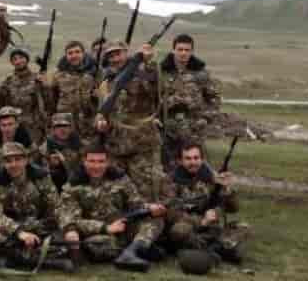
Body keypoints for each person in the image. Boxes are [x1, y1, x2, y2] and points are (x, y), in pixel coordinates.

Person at [58, 145, 167, 271]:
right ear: (84, 161)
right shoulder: (72, 186)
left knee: (156, 220)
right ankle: (140, 248)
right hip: (101, 234)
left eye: (101, 161)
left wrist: (149, 208)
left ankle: (131, 252)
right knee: (96, 246)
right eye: (92, 161)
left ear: (108, 162)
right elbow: (71, 221)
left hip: (124, 226)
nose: (96, 166)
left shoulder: (120, 178)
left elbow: (136, 203)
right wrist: (105, 228)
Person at [0, 142, 73, 272]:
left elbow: (57, 205)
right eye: (8, 161)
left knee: (64, 237)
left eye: (18, 159)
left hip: (39, 223)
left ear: (26, 160)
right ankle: (51, 262)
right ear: (3, 163)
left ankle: (17, 259)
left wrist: (69, 229)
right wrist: (19, 232)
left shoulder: (41, 176)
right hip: (12, 225)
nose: (14, 164)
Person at [95, 40, 165, 202]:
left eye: (118, 54)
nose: (115, 59)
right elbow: (101, 112)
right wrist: (101, 123)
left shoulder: (143, 74)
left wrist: (148, 62)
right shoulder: (106, 83)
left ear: (127, 53)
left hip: (142, 144)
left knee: (147, 191)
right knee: (117, 194)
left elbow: (157, 87)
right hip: (116, 146)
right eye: (111, 56)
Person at [164, 143, 246, 263]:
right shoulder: (171, 180)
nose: (193, 162)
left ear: (202, 159)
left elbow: (233, 208)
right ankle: (217, 249)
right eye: (188, 158)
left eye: (196, 158)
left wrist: (227, 189)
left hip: (211, 228)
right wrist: (202, 221)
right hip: (188, 227)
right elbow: (171, 213)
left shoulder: (212, 178)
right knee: (179, 230)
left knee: (243, 227)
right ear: (180, 161)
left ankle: (211, 248)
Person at [160, 34, 221, 172]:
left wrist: (206, 118)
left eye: (187, 50)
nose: (183, 53)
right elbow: (153, 98)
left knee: (196, 166)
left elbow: (214, 98)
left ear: (192, 51)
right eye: (180, 49)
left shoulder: (201, 74)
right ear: (173, 50)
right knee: (169, 166)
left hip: (194, 128)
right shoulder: (162, 72)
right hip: (168, 129)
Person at [0, 48, 49, 144]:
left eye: (21, 57)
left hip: (33, 127)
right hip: (13, 127)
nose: (18, 61)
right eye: (15, 59)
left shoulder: (37, 79)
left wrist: (45, 85)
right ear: (12, 62)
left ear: (27, 59)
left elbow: (48, 101)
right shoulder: (8, 82)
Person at [47, 41, 97, 139]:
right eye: (70, 53)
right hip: (65, 125)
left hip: (88, 124)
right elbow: (53, 99)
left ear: (83, 53)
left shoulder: (95, 73)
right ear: (66, 56)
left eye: (77, 52)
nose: (74, 56)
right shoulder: (58, 76)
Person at [38, 113, 83, 193]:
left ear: (71, 128)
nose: (62, 129)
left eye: (65, 126)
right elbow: (42, 172)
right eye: (58, 126)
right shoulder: (45, 148)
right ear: (53, 129)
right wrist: (51, 164)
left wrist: (65, 160)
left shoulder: (80, 145)